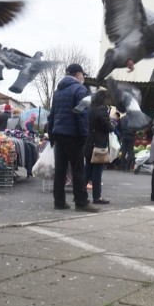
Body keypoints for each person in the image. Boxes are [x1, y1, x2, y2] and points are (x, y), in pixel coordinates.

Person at [47, 63, 98, 212]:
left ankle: (59, 201)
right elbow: (81, 113)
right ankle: (81, 202)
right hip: (73, 134)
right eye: (83, 74)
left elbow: (52, 115)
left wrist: (51, 135)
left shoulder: (58, 92)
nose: (83, 77)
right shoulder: (80, 89)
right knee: (77, 169)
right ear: (77, 74)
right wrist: (84, 135)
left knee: (60, 169)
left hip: (58, 134)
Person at [84, 91, 115, 204]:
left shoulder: (89, 108)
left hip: (89, 143)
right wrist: (112, 125)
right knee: (97, 172)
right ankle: (97, 197)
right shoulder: (102, 109)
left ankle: (79, 194)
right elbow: (106, 125)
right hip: (98, 145)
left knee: (87, 170)